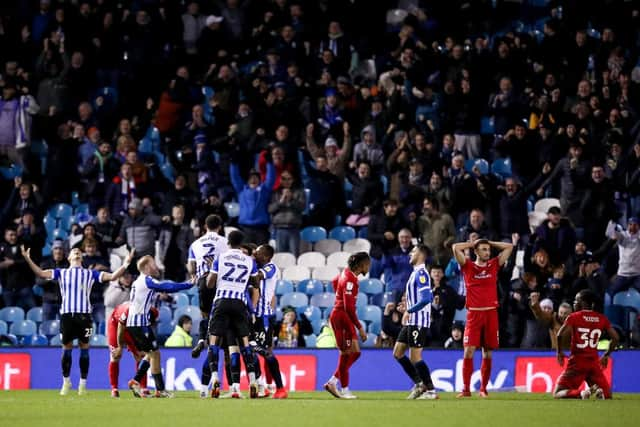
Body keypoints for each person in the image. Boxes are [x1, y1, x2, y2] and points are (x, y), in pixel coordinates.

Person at [21, 245, 134, 396]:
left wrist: (126, 263)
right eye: (74, 251)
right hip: (67, 315)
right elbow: (41, 273)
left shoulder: (90, 274)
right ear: (69, 258)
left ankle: (82, 384)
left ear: (82, 258)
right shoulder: (61, 273)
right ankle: (66, 382)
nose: (77, 252)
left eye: (79, 252)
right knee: (66, 348)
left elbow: (112, 276)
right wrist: (27, 258)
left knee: (84, 348)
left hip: (84, 316)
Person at [451, 238, 514, 397]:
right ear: (476, 252)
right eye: (484, 249)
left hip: (491, 313)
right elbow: (455, 247)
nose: (487, 252)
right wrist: (472, 244)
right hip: (474, 314)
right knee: (468, 351)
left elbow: (509, 247)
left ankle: (483, 389)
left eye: (488, 250)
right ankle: (466, 389)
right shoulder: (468, 266)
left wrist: (491, 243)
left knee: (487, 352)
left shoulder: (494, 265)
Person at [126, 255, 193, 398]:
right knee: (155, 354)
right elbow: (167, 287)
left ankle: (135, 381)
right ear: (146, 267)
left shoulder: (138, 281)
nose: (156, 267)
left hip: (136, 323)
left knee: (151, 354)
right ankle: (160, 390)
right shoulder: (146, 280)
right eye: (153, 264)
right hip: (139, 323)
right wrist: (187, 285)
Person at [206, 230, 260, 399]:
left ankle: (215, 378)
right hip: (239, 303)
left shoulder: (220, 257)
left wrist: (213, 272)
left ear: (228, 242)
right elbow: (256, 282)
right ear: (241, 243)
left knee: (214, 341)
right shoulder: (249, 260)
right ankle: (252, 380)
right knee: (244, 342)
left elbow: (209, 284)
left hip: (221, 301)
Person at [554, 289, 619, 399]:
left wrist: (559, 352)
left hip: (577, 362)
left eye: (576, 300)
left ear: (583, 303)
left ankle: (581, 393)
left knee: (557, 393)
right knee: (607, 394)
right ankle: (600, 392)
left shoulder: (574, 317)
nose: (574, 303)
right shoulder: (601, 318)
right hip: (593, 363)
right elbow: (616, 338)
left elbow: (559, 335)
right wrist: (606, 355)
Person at [393, 245, 438, 400]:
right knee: (398, 353)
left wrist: (410, 310)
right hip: (412, 320)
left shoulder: (421, 273)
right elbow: (420, 298)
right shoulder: (415, 273)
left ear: (421, 254)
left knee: (415, 357)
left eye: (413, 251)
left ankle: (431, 390)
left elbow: (427, 298)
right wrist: (407, 307)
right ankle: (420, 384)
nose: (410, 254)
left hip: (419, 321)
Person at [324, 252, 370, 399]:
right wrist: (360, 327)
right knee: (346, 353)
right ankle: (344, 389)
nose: (369, 267)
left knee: (355, 352)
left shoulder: (346, 273)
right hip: (342, 317)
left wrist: (338, 296)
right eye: (368, 264)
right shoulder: (350, 280)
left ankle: (333, 381)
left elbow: (334, 281)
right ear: (362, 265)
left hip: (344, 316)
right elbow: (349, 308)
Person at [188, 214, 228, 358]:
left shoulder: (195, 243)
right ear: (220, 227)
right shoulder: (225, 242)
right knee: (220, 315)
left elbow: (191, 266)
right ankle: (218, 346)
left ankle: (200, 340)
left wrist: (194, 275)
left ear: (205, 226)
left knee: (205, 315)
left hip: (203, 281)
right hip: (219, 281)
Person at [252, 244, 288, 398]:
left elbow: (257, 277)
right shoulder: (260, 265)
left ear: (266, 257)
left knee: (266, 352)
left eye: (258, 253)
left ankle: (280, 389)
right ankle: (265, 386)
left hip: (264, 316)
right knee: (252, 351)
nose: (255, 255)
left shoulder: (270, 267)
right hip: (255, 316)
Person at [108, 302, 157, 398]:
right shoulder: (128, 312)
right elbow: (120, 329)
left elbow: (150, 326)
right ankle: (114, 389)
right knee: (116, 356)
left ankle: (143, 387)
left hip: (133, 329)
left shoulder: (153, 312)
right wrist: (120, 347)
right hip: (116, 326)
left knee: (141, 355)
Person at [605, 218, 640, 296]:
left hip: (637, 274)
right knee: (610, 293)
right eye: (630, 224)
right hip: (623, 274)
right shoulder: (623, 235)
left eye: (635, 225)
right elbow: (609, 233)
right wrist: (612, 222)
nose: (633, 227)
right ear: (627, 225)